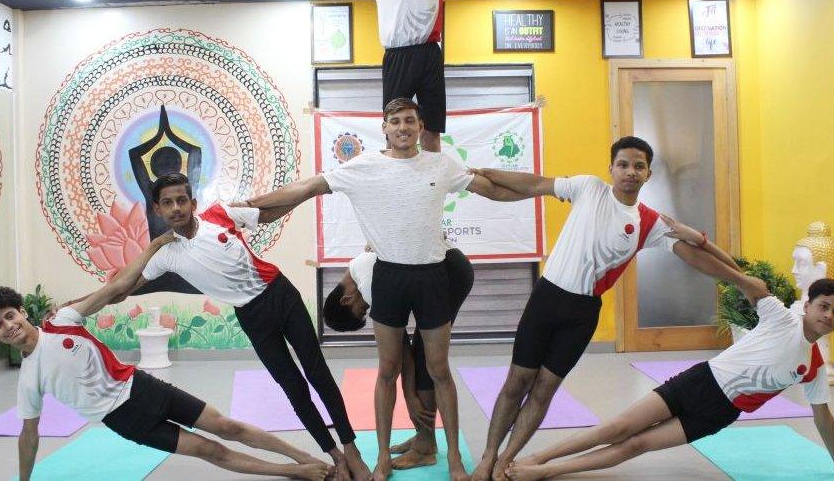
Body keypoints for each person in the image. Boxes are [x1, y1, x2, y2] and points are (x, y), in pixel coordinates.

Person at [242, 97, 531, 481]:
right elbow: (308, 187)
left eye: (410, 120)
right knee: (387, 370)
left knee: (440, 369)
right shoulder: (362, 167)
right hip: (389, 277)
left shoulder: (441, 163)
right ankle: (380, 458)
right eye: (395, 121)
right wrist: (247, 210)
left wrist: (546, 190)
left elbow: (491, 190)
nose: (403, 127)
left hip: (433, 276)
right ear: (384, 128)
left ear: (419, 125)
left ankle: (456, 462)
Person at [467, 136, 766, 481]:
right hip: (546, 298)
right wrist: (486, 172)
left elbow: (694, 256)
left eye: (639, 166)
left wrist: (741, 281)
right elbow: (534, 184)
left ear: (648, 174)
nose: (630, 172)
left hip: (582, 314)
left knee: (545, 388)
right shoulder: (588, 188)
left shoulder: (649, 222)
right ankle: (488, 457)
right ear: (611, 168)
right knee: (517, 381)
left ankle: (507, 457)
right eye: (623, 164)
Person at [0, 233, 332, 481]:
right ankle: (294, 472)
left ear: (21, 311)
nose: (8, 326)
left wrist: (154, 246)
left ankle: (301, 456)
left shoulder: (62, 320)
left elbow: (117, 288)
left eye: (9, 316)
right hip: (125, 420)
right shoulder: (28, 379)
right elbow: (28, 436)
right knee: (210, 450)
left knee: (228, 426)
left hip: (142, 387)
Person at [504, 278, 834, 481]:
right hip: (700, 381)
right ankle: (540, 456)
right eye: (824, 306)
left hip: (719, 412)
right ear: (807, 306)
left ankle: (548, 470)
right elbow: (746, 282)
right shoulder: (781, 317)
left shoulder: (815, 365)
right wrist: (698, 243)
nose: (829, 315)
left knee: (636, 445)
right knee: (618, 427)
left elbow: (823, 417)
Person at [125, 173, 371, 481]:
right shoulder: (166, 255)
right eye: (167, 203)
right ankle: (333, 454)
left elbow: (265, 212)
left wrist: (308, 192)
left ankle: (352, 451)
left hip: (281, 295)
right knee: (293, 388)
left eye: (181, 200)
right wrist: (81, 304)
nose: (176, 208)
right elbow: (125, 285)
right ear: (157, 210)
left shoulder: (218, 214)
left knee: (317, 373)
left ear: (193, 203)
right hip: (252, 318)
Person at [246, 0, 573, 152]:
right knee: (393, 126)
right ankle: (396, 179)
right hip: (397, 57)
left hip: (430, 54)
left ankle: (431, 181)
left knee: (432, 127)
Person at [324, 246, 474, 469]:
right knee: (421, 351)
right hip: (451, 264)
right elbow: (402, 350)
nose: (366, 310)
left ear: (346, 300)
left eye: (361, 311)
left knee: (425, 357)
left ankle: (425, 447)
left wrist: (411, 397)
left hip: (450, 271)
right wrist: (410, 396)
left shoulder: (368, 286)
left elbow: (401, 352)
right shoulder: (359, 265)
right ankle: (424, 437)